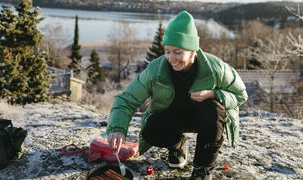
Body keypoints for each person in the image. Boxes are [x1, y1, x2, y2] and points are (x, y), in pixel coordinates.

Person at [106, 11, 248, 180]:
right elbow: (126, 99)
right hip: (173, 118)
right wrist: (117, 129)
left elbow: (240, 95)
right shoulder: (155, 69)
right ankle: (178, 145)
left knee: (214, 109)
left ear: (192, 50)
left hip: (204, 119)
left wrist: (214, 93)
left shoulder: (216, 68)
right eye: (167, 51)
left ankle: (202, 170)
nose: (171, 58)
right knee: (150, 131)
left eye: (178, 52)